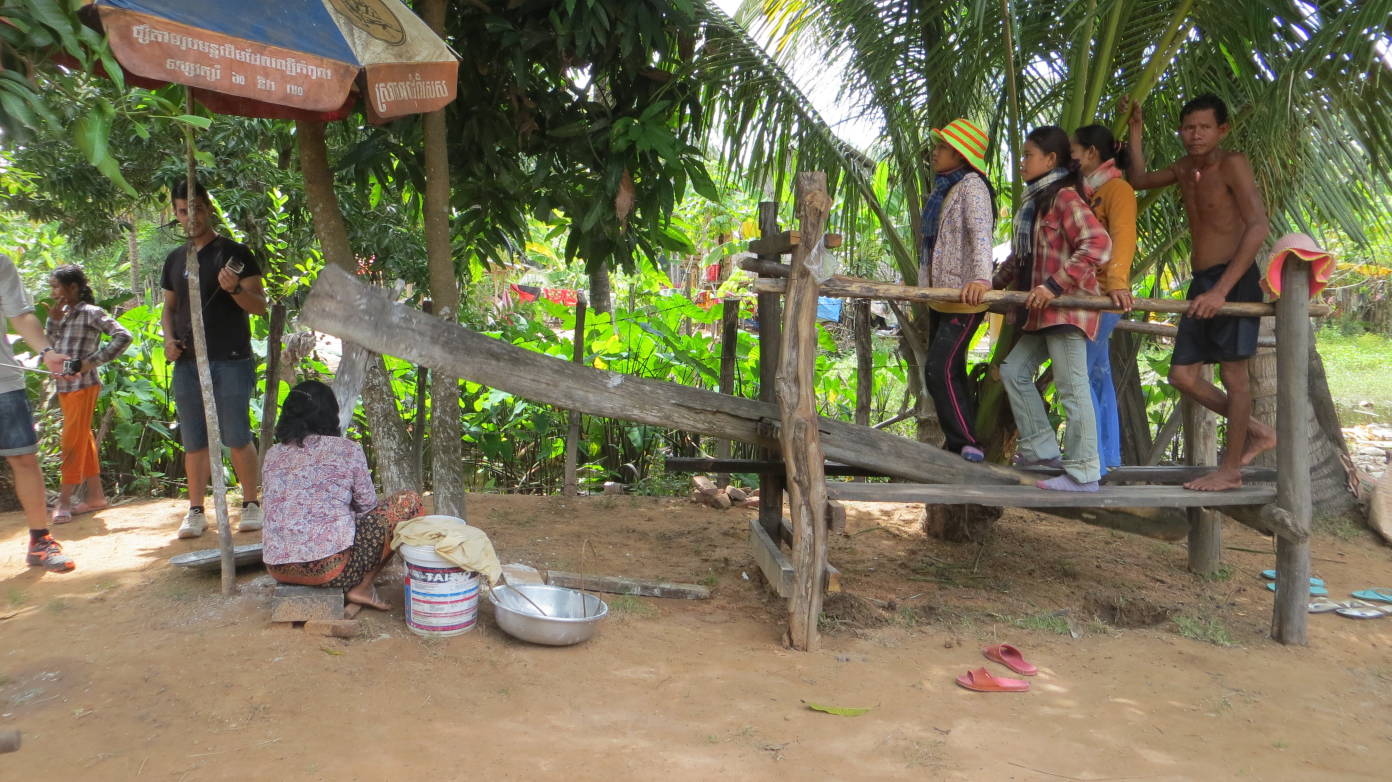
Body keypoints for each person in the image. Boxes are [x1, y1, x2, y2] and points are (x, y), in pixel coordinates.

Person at [1125, 93, 1275, 491]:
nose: (1195, 135)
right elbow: (1138, 181)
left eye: (1204, 127)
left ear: (1222, 129)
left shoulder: (1232, 163)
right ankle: (1258, 431)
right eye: (1189, 128)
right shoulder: (1182, 168)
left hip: (1233, 280)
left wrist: (1223, 291)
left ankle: (1230, 470)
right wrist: (1136, 130)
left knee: (1233, 375)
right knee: (1182, 375)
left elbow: (1258, 225)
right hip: (1203, 281)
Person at [971, 126, 1112, 492]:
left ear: (1050, 160)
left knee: (1072, 388)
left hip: (1067, 309)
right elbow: (1022, 257)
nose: (1022, 162)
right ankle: (1042, 452)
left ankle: (1084, 473)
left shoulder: (1064, 197)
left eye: (1028, 155)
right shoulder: (1036, 202)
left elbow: (1098, 244)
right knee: (1014, 370)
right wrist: (992, 284)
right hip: (1043, 313)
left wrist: (1054, 285)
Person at [161, 179, 268, 537]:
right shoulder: (175, 258)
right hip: (187, 362)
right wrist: (169, 340)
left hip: (230, 359)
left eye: (195, 209)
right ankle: (195, 510)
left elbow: (259, 305)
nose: (189, 217)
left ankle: (251, 504)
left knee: (237, 434)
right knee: (194, 440)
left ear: (208, 208)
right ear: (176, 214)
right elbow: (169, 308)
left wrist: (234, 289)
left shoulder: (235, 253)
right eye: (182, 211)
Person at [261, 381, 423, 611]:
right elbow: (368, 508)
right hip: (331, 571)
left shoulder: (272, 454)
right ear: (330, 414)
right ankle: (362, 587)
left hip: (278, 569)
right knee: (409, 501)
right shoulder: (347, 450)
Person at [919, 118, 997, 462]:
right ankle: (961, 444)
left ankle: (967, 442)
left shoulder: (972, 187)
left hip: (965, 296)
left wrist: (981, 279)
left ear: (960, 155)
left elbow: (981, 235)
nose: (935, 153)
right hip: (943, 295)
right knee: (949, 369)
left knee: (938, 368)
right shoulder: (945, 188)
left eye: (942, 148)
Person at [0, 254, 75, 571]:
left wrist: (47, 352)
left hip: (3, 382)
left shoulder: (1, 263)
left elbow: (19, 314)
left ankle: (40, 541)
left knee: (24, 459)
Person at [1071, 125, 1137, 475]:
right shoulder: (1086, 190)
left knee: (1080, 376)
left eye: (1074, 150)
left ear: (1091, 153)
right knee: (1097, 374)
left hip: (1101, 296)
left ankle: (1090, 461)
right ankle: (1105, 458)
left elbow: (1124, 237)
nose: (1070, 157)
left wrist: (1116, 282)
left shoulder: (1117, 189)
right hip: (1086, 294)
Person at [44, 264, 132, 523]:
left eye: (56, 287)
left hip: (83, 386)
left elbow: (123, 336)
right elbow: (50, 347)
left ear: (73, 287)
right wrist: (53, 320)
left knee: (71, 442)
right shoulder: (61, 314)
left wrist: (89, 363)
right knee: (82, 438)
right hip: (64, 387)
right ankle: (95, 497)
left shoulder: (91, 312)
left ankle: (63, 501)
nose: (53, 292)